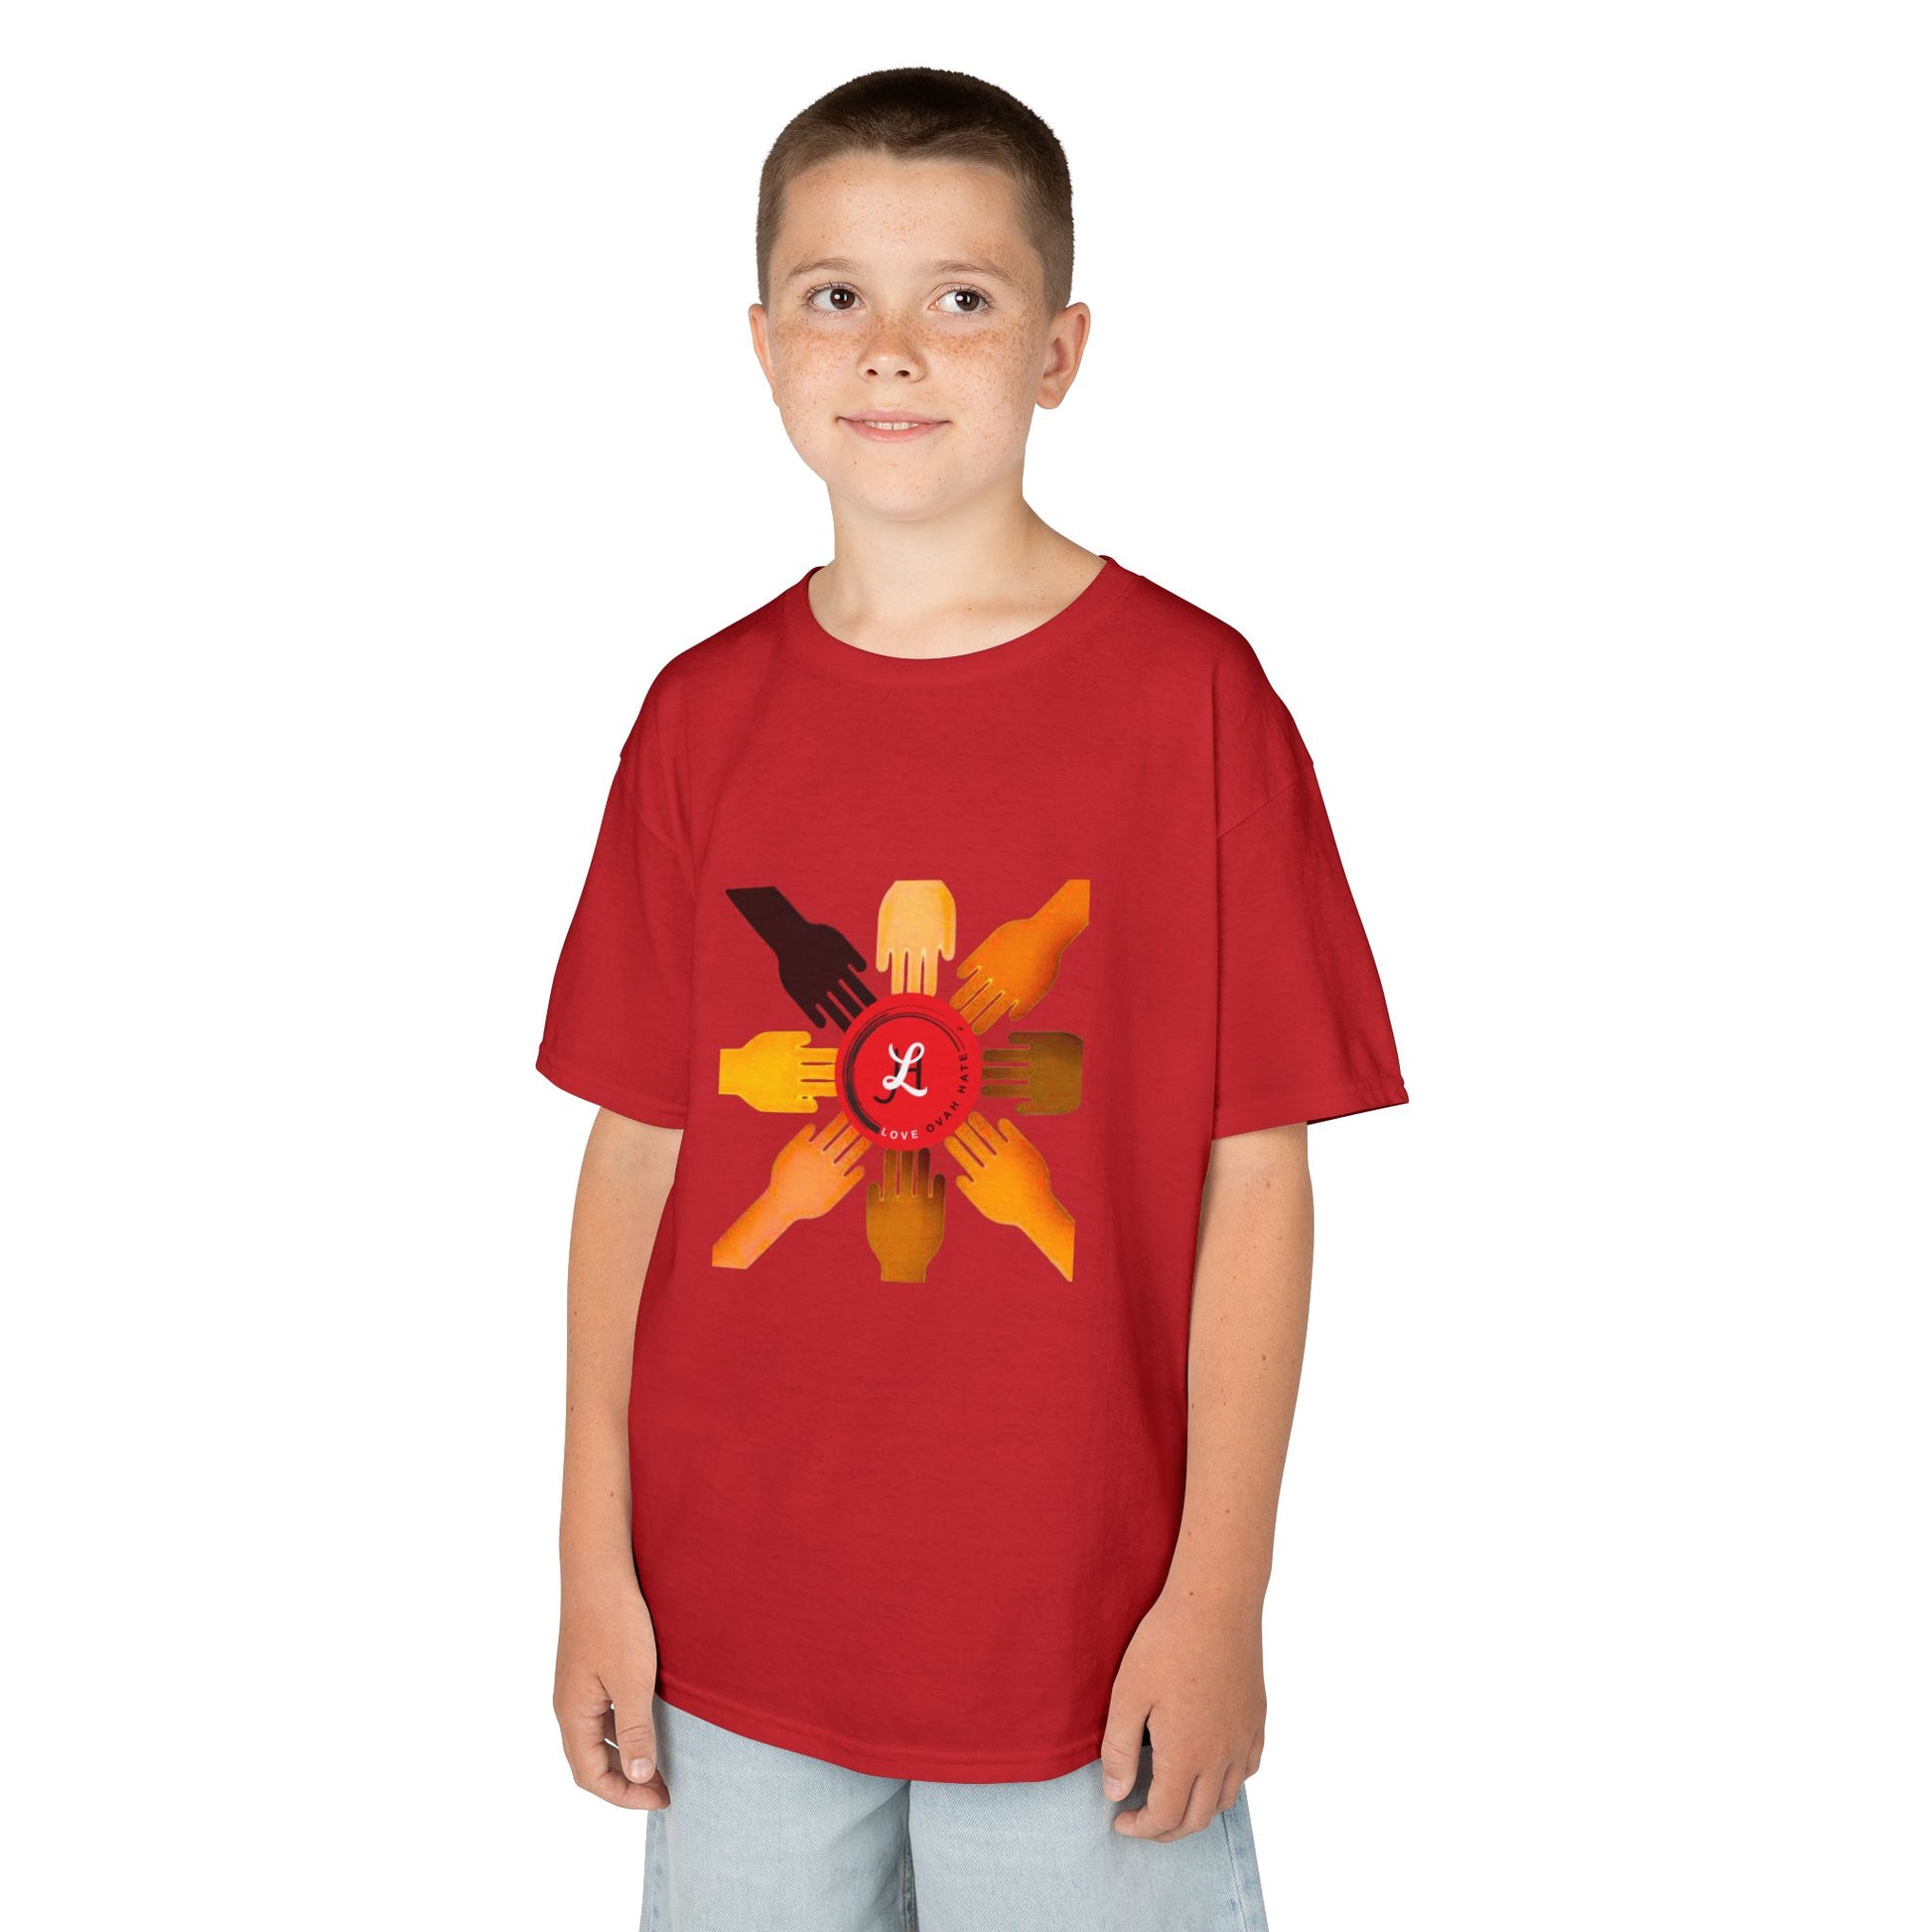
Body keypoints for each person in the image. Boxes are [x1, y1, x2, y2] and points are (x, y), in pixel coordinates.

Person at [536, 66, 1407, 1931]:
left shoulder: (1193, 704)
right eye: (835, 294)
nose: (893, 348)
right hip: (735, 1626)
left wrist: (1218, 1595)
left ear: (1060, 348)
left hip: (1083, 1641)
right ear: (761, 344)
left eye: (962, 295)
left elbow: (1257, 1179)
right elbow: (637, 1154)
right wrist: (591, 1560)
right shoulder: (699, 716)